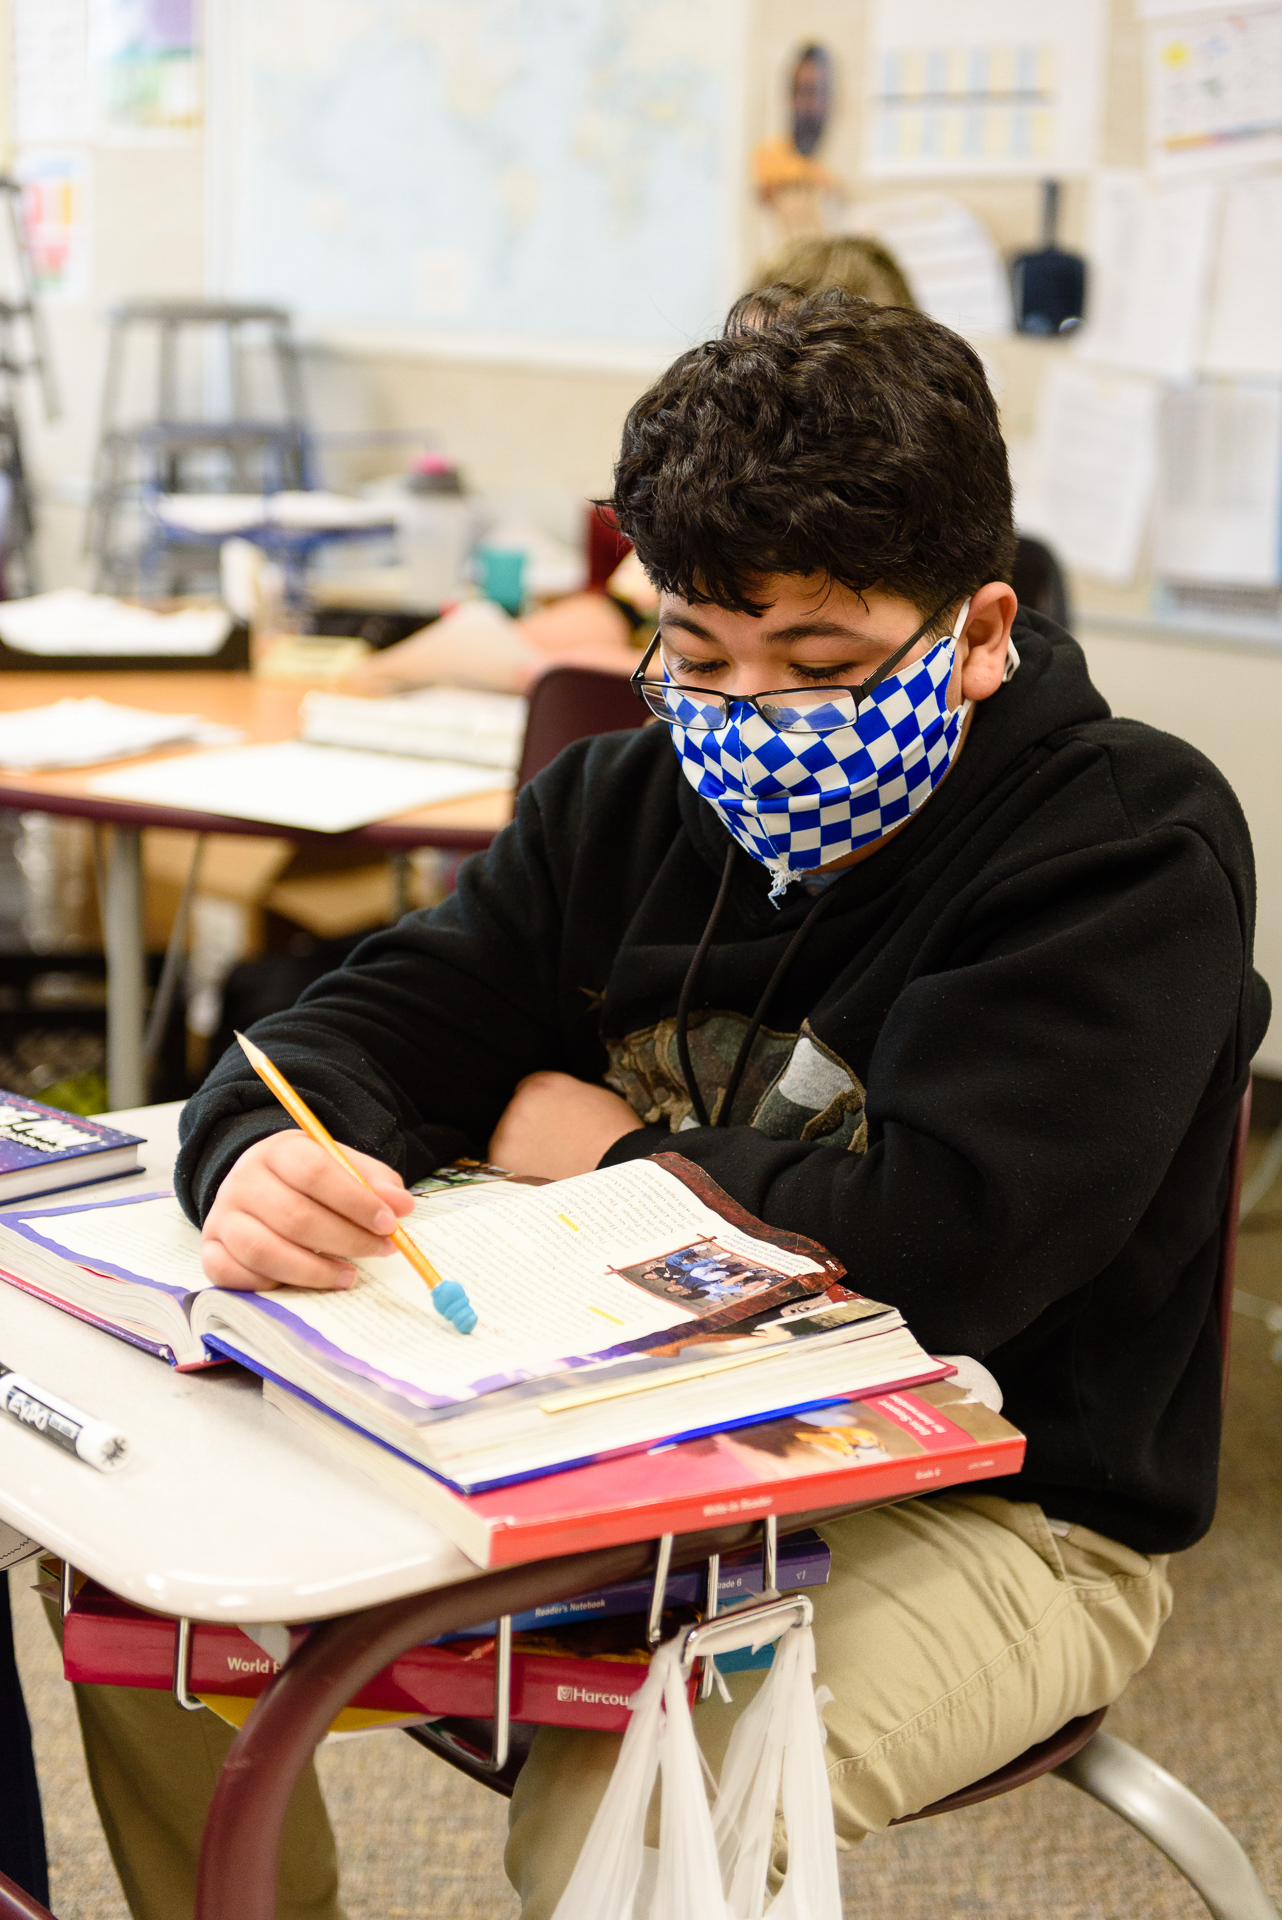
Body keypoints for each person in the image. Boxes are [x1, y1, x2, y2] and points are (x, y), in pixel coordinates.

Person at [69, 286, 1267, 1918]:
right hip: (610, 1446)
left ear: (981, 633)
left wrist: (606, 1151)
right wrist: (268, 1147)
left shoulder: (1122, 851)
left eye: (823, 661)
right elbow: (366, 1023)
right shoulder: (626, 796)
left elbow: (942, 1252)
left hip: (998, 1510)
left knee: (647, 1798)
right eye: (700, 653)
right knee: (149, 1578)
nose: (753, 718)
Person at [343, 241, 916, 699]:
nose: (750, 405)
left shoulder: (911, 544)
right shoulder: (710, 502)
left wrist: (554, 671)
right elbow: (608, 616)